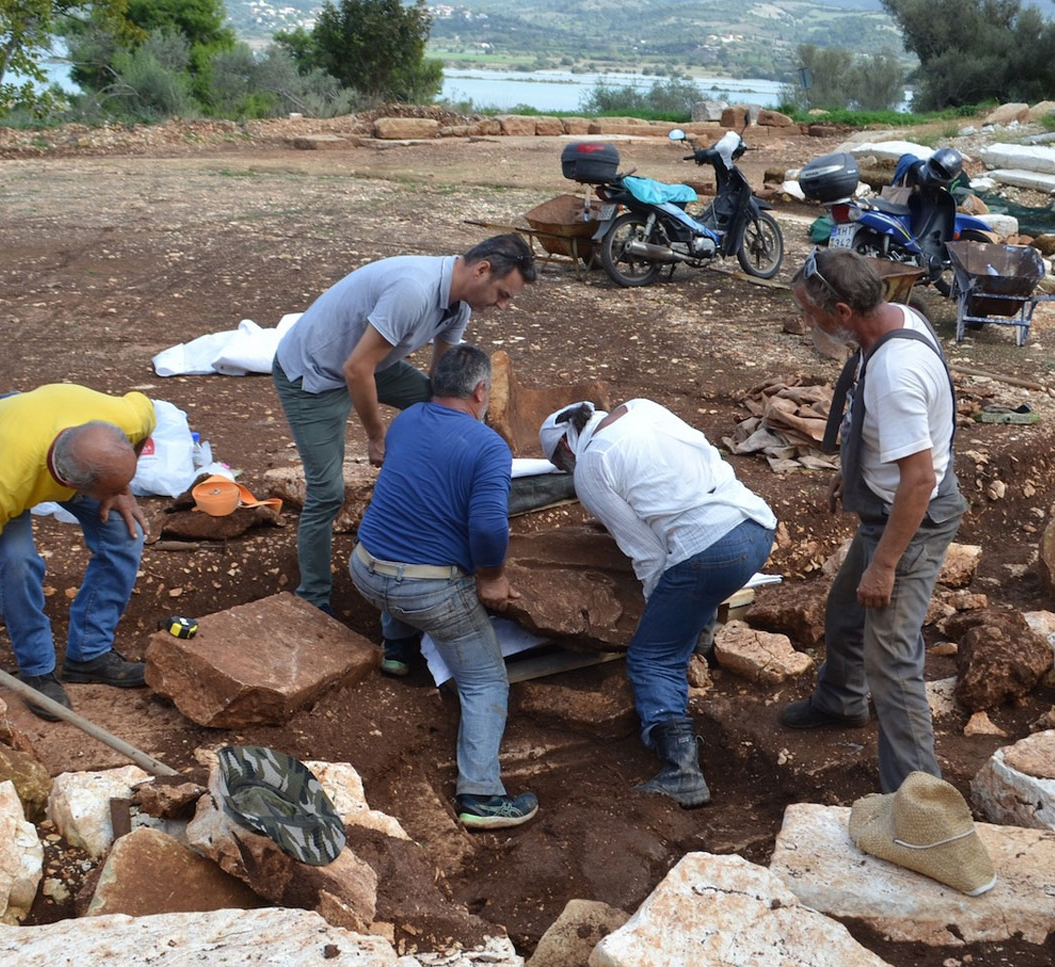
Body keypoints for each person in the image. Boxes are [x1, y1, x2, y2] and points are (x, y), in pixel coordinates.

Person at [776, 248, 966, 794]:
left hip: (910, 520)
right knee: (844, 609)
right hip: (888, 505)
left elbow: (919, 481)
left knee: (892, 660)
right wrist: (854, 467)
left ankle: (918, 798)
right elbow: (889, 440)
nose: (807, 322)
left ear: (842, 311)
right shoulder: (897, 319)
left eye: (811, 312)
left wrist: (884, 566)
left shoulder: (895, 374)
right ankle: (840, 701)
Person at [273, 233, 537, 616]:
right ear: (481, 270)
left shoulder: (456, 308)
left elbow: (443, 387)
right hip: (314, 375)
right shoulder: (413, 291)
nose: (502, 306)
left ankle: (436, 497)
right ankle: (313, 598)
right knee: (327, 492)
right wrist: (377, 436)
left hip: (370, 362)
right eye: (502, 294)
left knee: (439, 403)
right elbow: (355, 369)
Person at [538, 398, 776, 808]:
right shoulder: (641, 407)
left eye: (562, 466)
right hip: (755, 528)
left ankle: (682, 772)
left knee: (653, 657)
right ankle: (699, 645)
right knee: (695, 589)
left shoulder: (591, 465)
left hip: (710, 550)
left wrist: (659, 612)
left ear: (565, 447)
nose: (568, 473)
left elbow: (648, 555)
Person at [348, 344, 536, 830]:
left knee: (407, 540)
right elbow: (489, 527)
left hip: (364, 570)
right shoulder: (488, 447)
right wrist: (491, 578)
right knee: (484, 680)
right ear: (481, 391)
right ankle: (481, 795)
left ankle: (397, 650)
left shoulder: (408, 419)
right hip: (425, 592)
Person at [0, 383, 157, 711]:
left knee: (125, 536)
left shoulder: (125, 418)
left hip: (45, 428)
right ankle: (36, 670)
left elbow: (145, 421)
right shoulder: (5, 479)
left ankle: (90, 655)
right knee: (18, 560)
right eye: (111, 486)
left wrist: (121, 490)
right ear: (70, 487)